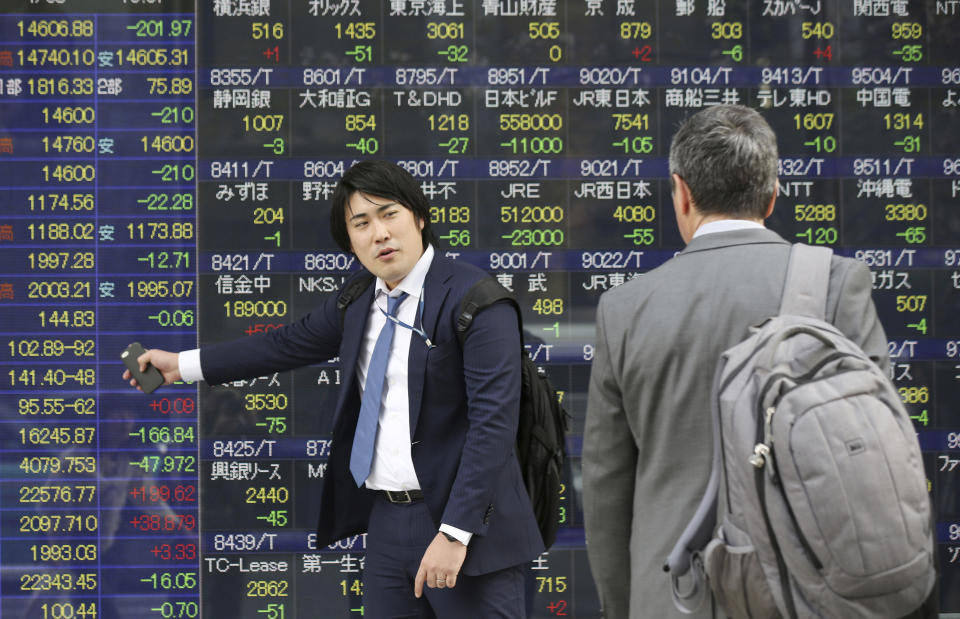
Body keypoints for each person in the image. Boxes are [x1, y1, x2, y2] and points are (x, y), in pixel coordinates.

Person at [124, 160, 543, 618]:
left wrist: (455, 533)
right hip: (386, 523)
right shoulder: (359, 300)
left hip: (465, 528)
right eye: (361, 224)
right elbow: (282, 345)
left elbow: (494, 425)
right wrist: (180, 366)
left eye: (389, 214)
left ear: (420, 217)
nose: (379, 233)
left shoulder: (476, 300)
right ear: (350, 242)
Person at [581, 105, 895, 618]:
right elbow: (880, 453)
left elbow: (606, 486)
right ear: (772, 196)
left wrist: (627, 606)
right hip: (810, 595)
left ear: (680, 193)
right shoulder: (837, 284)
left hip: (673, 598)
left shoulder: (624, 308)